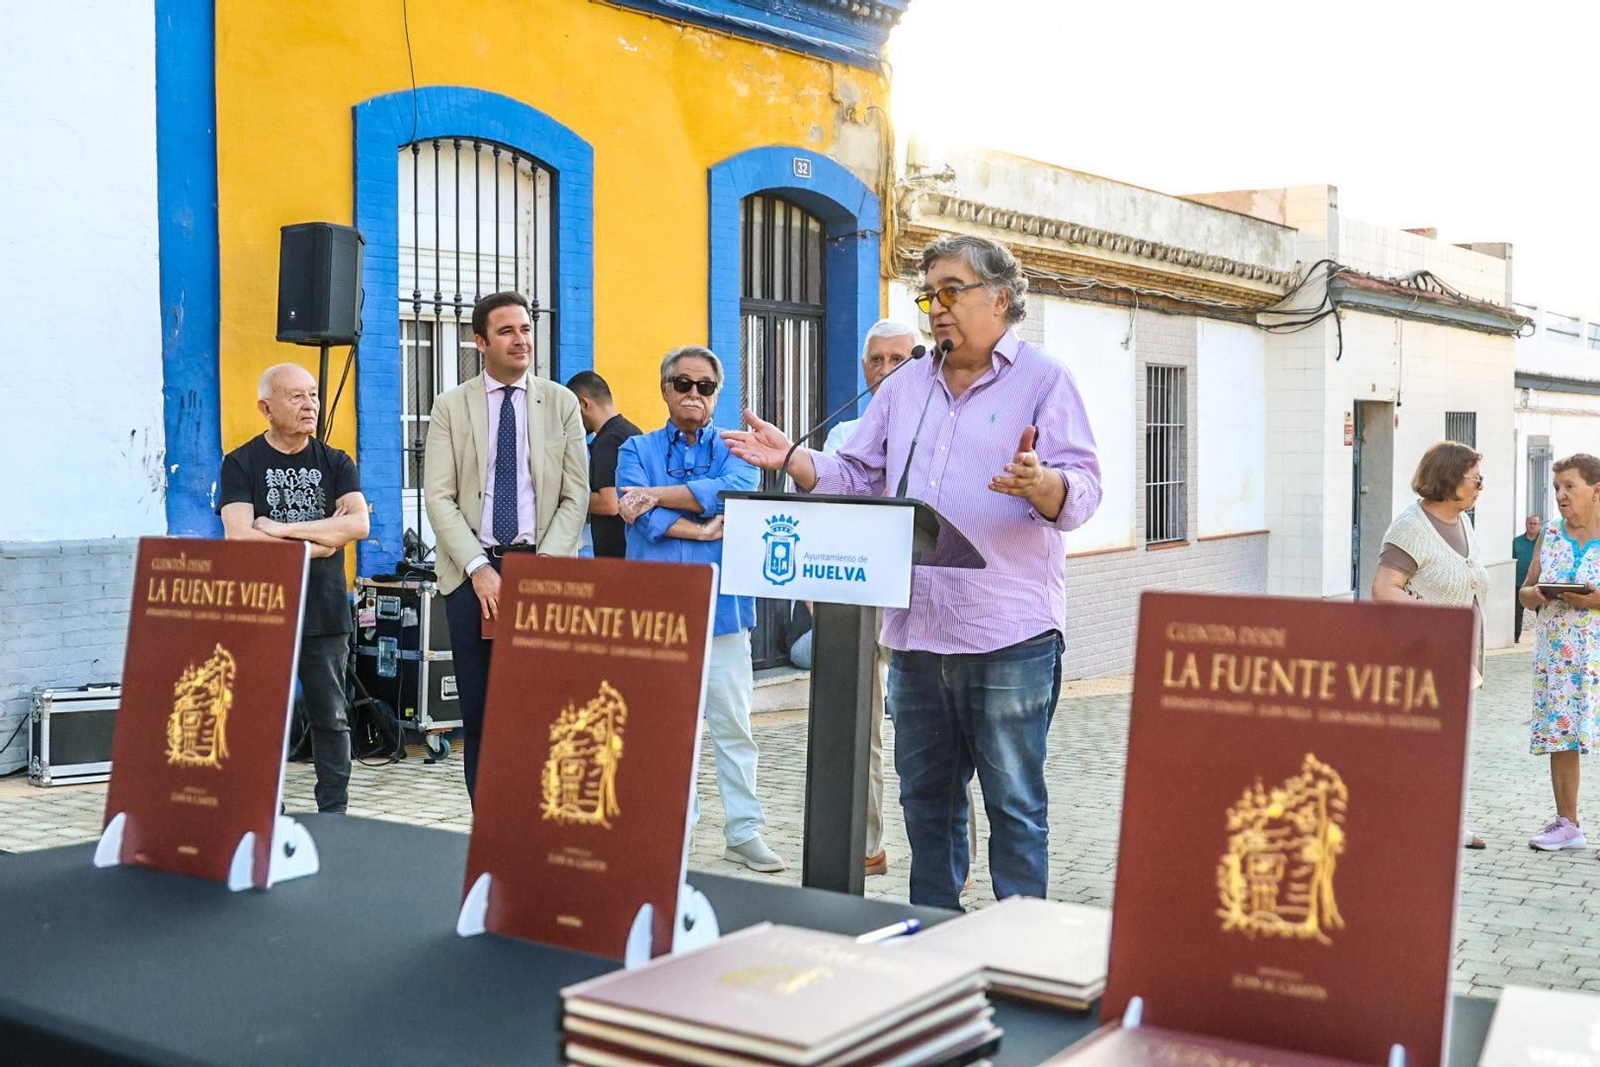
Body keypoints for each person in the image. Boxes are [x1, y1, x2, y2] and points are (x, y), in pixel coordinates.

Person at [723, 234, 1103, 907]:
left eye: (951, 291)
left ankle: (1023, 944)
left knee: (1015, 806)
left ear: (1000, 298)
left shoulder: (1045, 380)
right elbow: (857, 474)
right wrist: (794, 460)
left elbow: (1084, 489)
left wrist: (1041, 482)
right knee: (926, 804)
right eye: (929, 296)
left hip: (1008, 632)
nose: (937, 308)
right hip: (918, 632)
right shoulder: (906, 385)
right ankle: (933, 930)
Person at [616, 346, 786, 874]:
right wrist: (702, 528)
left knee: (734, 726)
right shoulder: (634, 447)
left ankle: (745, 831)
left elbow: (734, 492)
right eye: (683, 384)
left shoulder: (738, 449)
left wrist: (657, 495)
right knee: (665, 731)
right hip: (657, 616)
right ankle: (673, 831)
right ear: (665, 389)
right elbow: (635, 513)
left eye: (705, 386)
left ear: (717, 394)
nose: (694, 394)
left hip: (724, 613)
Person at [423, 291, 588, 803]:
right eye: (507, 331)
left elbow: (575, 494)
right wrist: (478, 568)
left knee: (542, 709)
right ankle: (489, 825)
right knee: (482, 713)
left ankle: (537, 820)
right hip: (473, 575)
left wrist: (543, 568)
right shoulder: (451, 406)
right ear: (480, 342)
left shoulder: (561, 403)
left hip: (543, 567)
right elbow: (439, 496)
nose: (521, 340)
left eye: (526, 328)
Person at [219, 363, 369, 813]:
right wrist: (319, 544)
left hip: (325, 613)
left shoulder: (336, 461)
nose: (310, 405)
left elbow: (358, 525)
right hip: (265, 612)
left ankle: (334, 814)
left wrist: (281, 530)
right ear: (266, 408)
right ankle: (267, 813)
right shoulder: (241, 463)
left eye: (314, 395)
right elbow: (239, 536)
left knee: (332, 717)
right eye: (296, 397)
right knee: (262, 719)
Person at [1369, 440, 1488, 850]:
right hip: (1420, 655)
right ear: (1450, 479)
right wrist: (1439, 622)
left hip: (1458, 655)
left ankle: (1444, 823)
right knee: (1417, 745)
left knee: (1448, 745)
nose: (1480, 487)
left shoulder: (1462, 521)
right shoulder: (1412, 527)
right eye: (1475, 479)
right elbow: (1384, 589)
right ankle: (1406, 824)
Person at [1519, 455, 1600, 852]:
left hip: (1596, 657)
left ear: (1596, 490)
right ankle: (1568, 825)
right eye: (1556, 488)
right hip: (1559, 658)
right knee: (1563, 734)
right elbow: (1525, 590)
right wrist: (1535, 594)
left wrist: (1595, 601)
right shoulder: (1550, 533)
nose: (1561, 495)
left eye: (1570, 486)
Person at [565, 370, 641, 560]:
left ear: (584, 404)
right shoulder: (631, 432)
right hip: (635, 550)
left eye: (571, 412)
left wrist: (565, 499)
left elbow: (610, 503)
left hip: (617, 557)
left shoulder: (608, 440)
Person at [1512, 514, 1541, 643]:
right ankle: (1515, 638)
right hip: (1519, 582)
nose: (1532, 526)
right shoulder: (1517, 542)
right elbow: (1512, 560)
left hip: (1538, 584)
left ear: (1539, 525)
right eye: (1530, 523)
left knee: (1541, 612)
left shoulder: (1543, 542)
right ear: (1526, 524)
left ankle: (1541, 638)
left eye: (1535, 524)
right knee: (1517, 612)